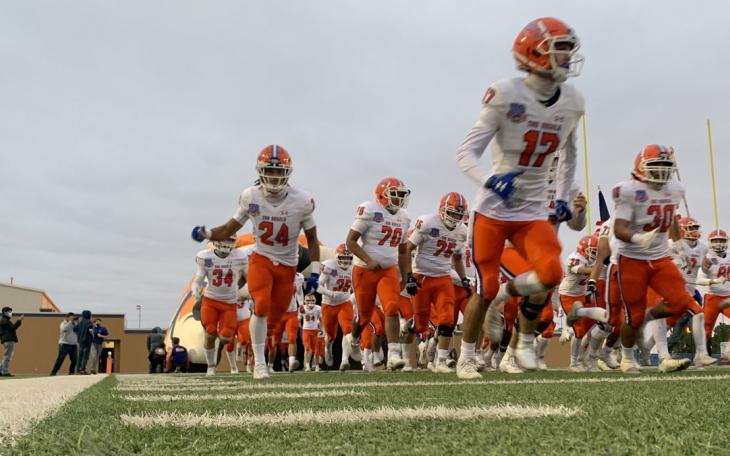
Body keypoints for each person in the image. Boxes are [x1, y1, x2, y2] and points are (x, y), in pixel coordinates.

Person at [455, 17, 585, 379]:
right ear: (535, 52)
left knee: (550, 273)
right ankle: (466, 357)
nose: (567, 57)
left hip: (531, 211)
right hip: (493, 210)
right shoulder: (506, 94)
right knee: (484, 285)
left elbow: (571, 155)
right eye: (560, 49)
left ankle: (512, 328)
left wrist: (562, 197)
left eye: (569, 50)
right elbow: (465, 154)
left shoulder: (573, 100)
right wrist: (490, 179)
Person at [191, 145, 321, 380]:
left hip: (288, 263)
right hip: (262, 259)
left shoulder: (302, 201)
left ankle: (263, 352)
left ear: (287, 173)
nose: (273, 176)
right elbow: (231, 228)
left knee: (275, 317)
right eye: (269, 171)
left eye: (278, 171)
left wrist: (314, 271)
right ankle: (259, 364)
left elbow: (312, 239)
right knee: (260, 305)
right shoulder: (251, 196)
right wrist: (208, 234)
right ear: (260, 171)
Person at [611, 144, 715, 373]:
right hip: (632, 257)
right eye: (656, 167)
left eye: (666, 167)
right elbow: (619, 229)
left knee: (680, 302)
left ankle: (647, 316)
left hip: (659, 257)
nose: (661, 172)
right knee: (632, 316)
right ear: (641, 168)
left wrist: (679, 246)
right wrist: (638, 239)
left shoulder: (675, 188)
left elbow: (673, 218)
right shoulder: (628, 190)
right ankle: (627, 357)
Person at [346, 177, 414, 371]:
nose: (400, 199)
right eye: (396, 194)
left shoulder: (403, 217)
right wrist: (368, 260)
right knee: (364, 317)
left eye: (402, 195)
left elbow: (403, 251)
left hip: (388, 269)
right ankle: (355, 338)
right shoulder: (370, 209)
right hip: (364, 270)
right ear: (382, 195)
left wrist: (406, 276)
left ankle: (393, 354)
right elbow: (350, 241)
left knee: (392, 307)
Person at [404, 192, 469, 373]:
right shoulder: (427, 222)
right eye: (452, 213)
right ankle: (408, 339)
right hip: (422, 276)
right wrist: (409, 277)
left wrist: (463, 280)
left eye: (459, 214)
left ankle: (441, 361)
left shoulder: (461, 230)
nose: (455, 218)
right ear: (442, 209)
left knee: (447, 319)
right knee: (421, 325)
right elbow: (408, 249)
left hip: (443, 277)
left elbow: (456, 258)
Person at [191, 234, 248, 376]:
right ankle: (211, 366)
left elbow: (248, 277)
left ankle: (220, 329)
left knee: (227, 338)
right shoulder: (205, 256)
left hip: (229, 303)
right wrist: (196, 288)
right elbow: (199, 277)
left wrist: (241, 290)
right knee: (210, 334)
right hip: (211, 301)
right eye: (226, 238)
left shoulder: (239, 256)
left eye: (231, 240)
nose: (228, 242)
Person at [317, 243, 356, 370]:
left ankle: (344, 360)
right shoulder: (330, 266)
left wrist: (353, 299)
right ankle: (328, 348)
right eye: (343, 258)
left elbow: (356, 288)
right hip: (328, 303)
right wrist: (331, 293)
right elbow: (317, 286)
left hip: (345, 302)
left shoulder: (353, 268)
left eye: (348, 258)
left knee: (347, 330)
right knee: (330, 336)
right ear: (336, 257)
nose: (345, 261)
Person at [300, 294, 322, 372]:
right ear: (305, 301)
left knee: (316, 349)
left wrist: (321, 329)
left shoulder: (318, 308)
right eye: (309, 301)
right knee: (307, 348)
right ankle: (307, 366)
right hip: (306, 330)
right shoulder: (302, 308)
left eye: (312, 301)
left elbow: (321, 319)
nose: (310, 302)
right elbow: (298, 319)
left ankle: (316, 366)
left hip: (315, 330)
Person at [0, 307, 22, 376]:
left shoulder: (4, 320)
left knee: (6, 356)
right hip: (8, 340)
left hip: (7, 340)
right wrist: (19, 320)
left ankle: (1, 370)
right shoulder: (4, 320)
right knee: (7, 356)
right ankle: (5, 371)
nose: (11, 313)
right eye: (9, 311)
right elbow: (13, 328)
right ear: (5, 312)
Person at [75, 310, 93, 375]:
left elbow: (75, 329)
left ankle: (78, 370)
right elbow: (90, 330)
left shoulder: (80, 322)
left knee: (80, 356)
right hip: (87, 341)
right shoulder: (89, 322)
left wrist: (80, 334)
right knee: (85, 357)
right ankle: (82, 370)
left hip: (80, 341)